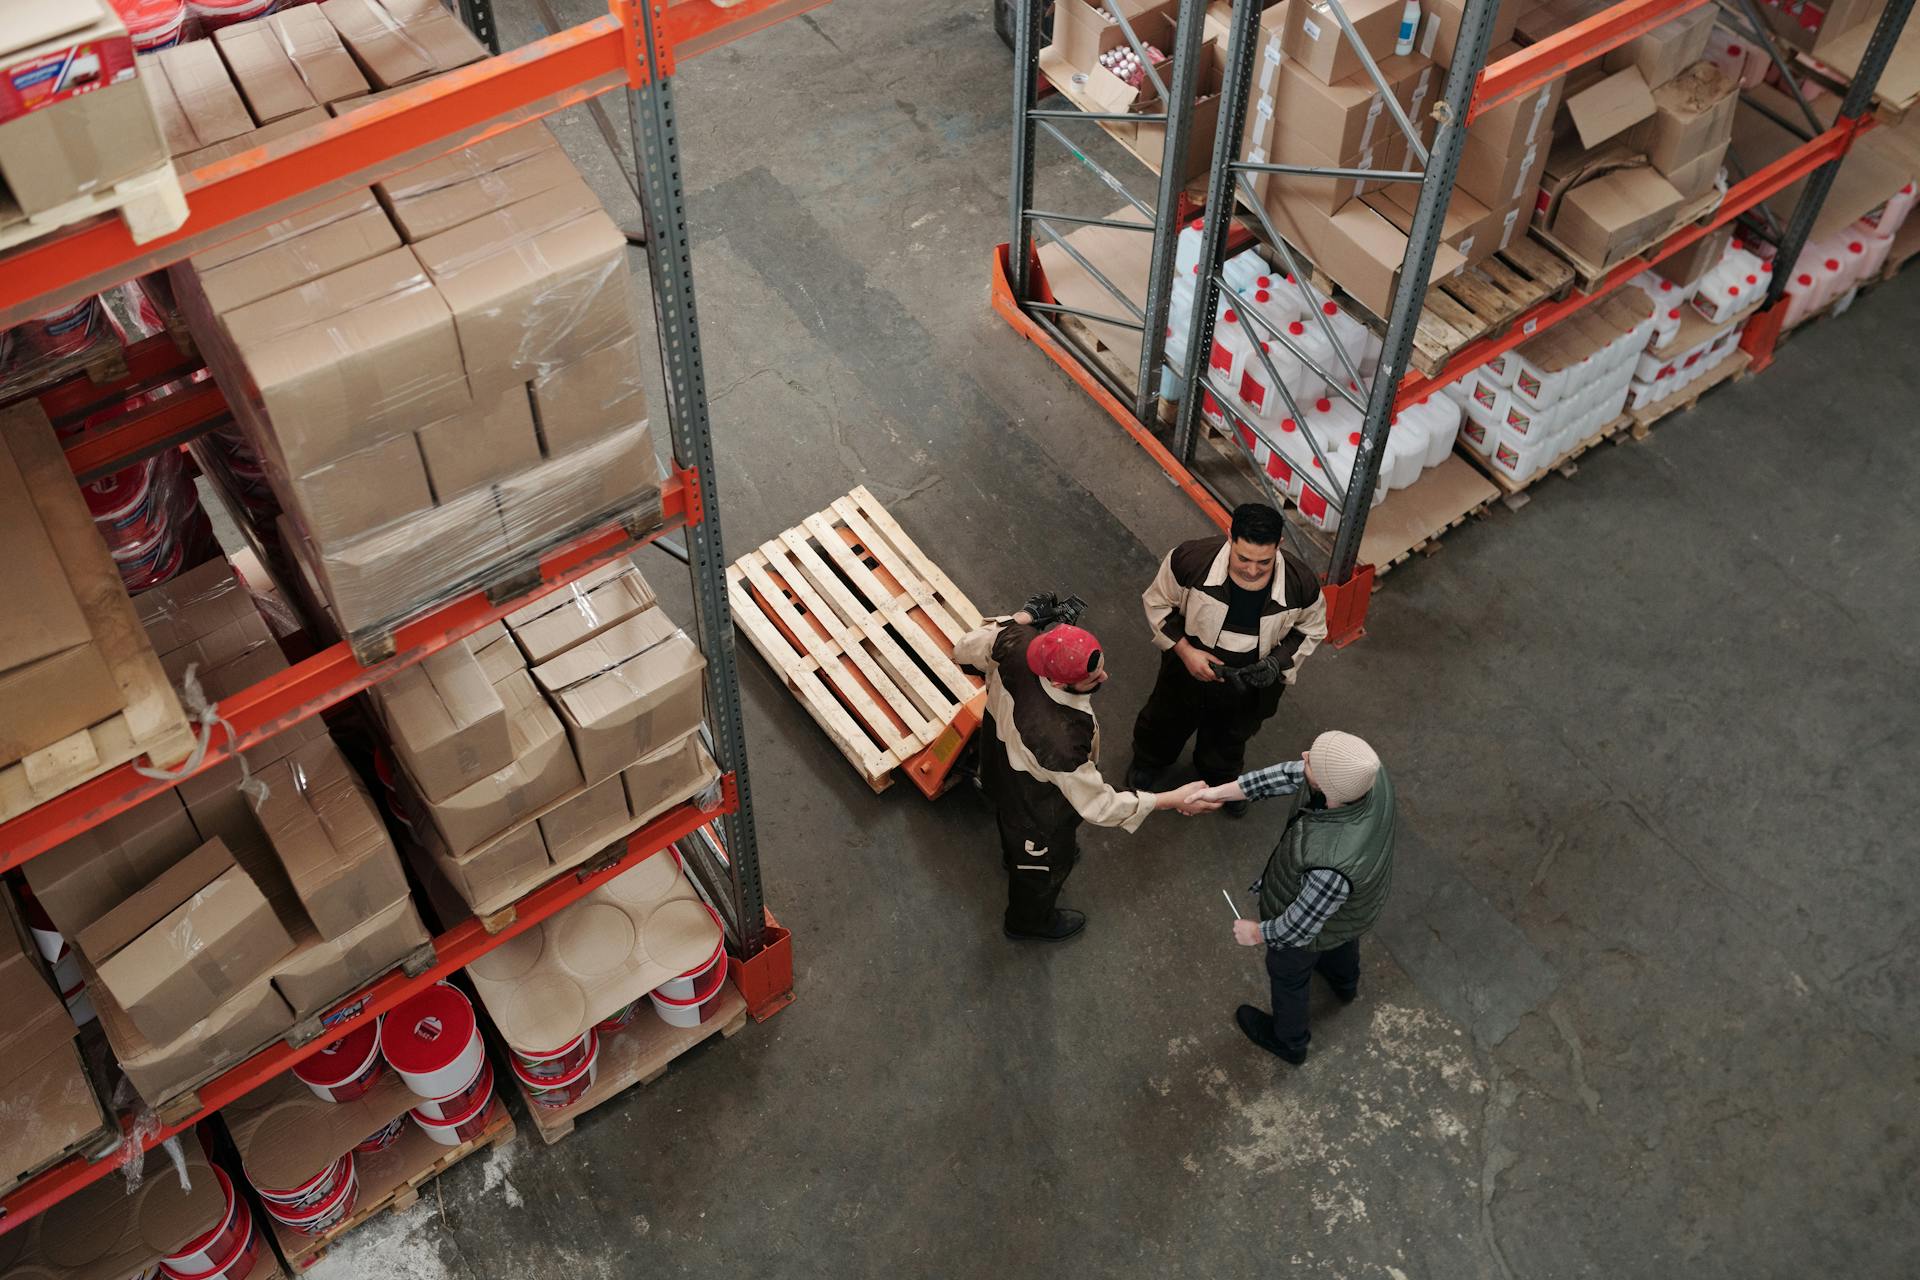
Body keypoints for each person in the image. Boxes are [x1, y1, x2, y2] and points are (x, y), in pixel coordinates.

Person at [954, 609, 1212, 942]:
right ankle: (1028, 922)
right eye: (1092, 679)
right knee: (1043, 869)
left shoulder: (1017, 640)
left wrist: (1022, 616)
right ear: (1059, 682)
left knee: (1009, 821)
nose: (1104, 678)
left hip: (998, 765)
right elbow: (1099, 805)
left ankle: (1014, 857)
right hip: (1036, 807)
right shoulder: (1058, 740)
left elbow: (964, 649)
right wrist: (1167, 799)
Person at [1204, 731, 1394, 1065]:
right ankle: (1344, 983)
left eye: (1312, 760)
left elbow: (1298, 929)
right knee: (1339, 938)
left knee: (1289, 974)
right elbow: (1294, 774)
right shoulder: (1367, 777)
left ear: (1326, 789)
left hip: (1316, 920)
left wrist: (1258, 933)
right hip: (1351, 912)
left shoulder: (1330, 868)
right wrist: (1219, 792)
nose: (1304, 754)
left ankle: (1290, 1041)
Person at [1127, 503, 1328, 817]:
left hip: (1251, 684)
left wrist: (1276, 663)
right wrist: (1185, 651)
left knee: (1231, 736)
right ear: (1230, 538)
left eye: (1263, 561)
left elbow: (1311, 630)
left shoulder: (1301, 585)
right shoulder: (1189, 562)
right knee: (1165, 719)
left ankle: (1221, 779)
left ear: (1280, 546)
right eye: (1243, 557)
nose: (1251, 570)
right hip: (1186, 671)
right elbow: (1157, 604)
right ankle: (1149, 761)